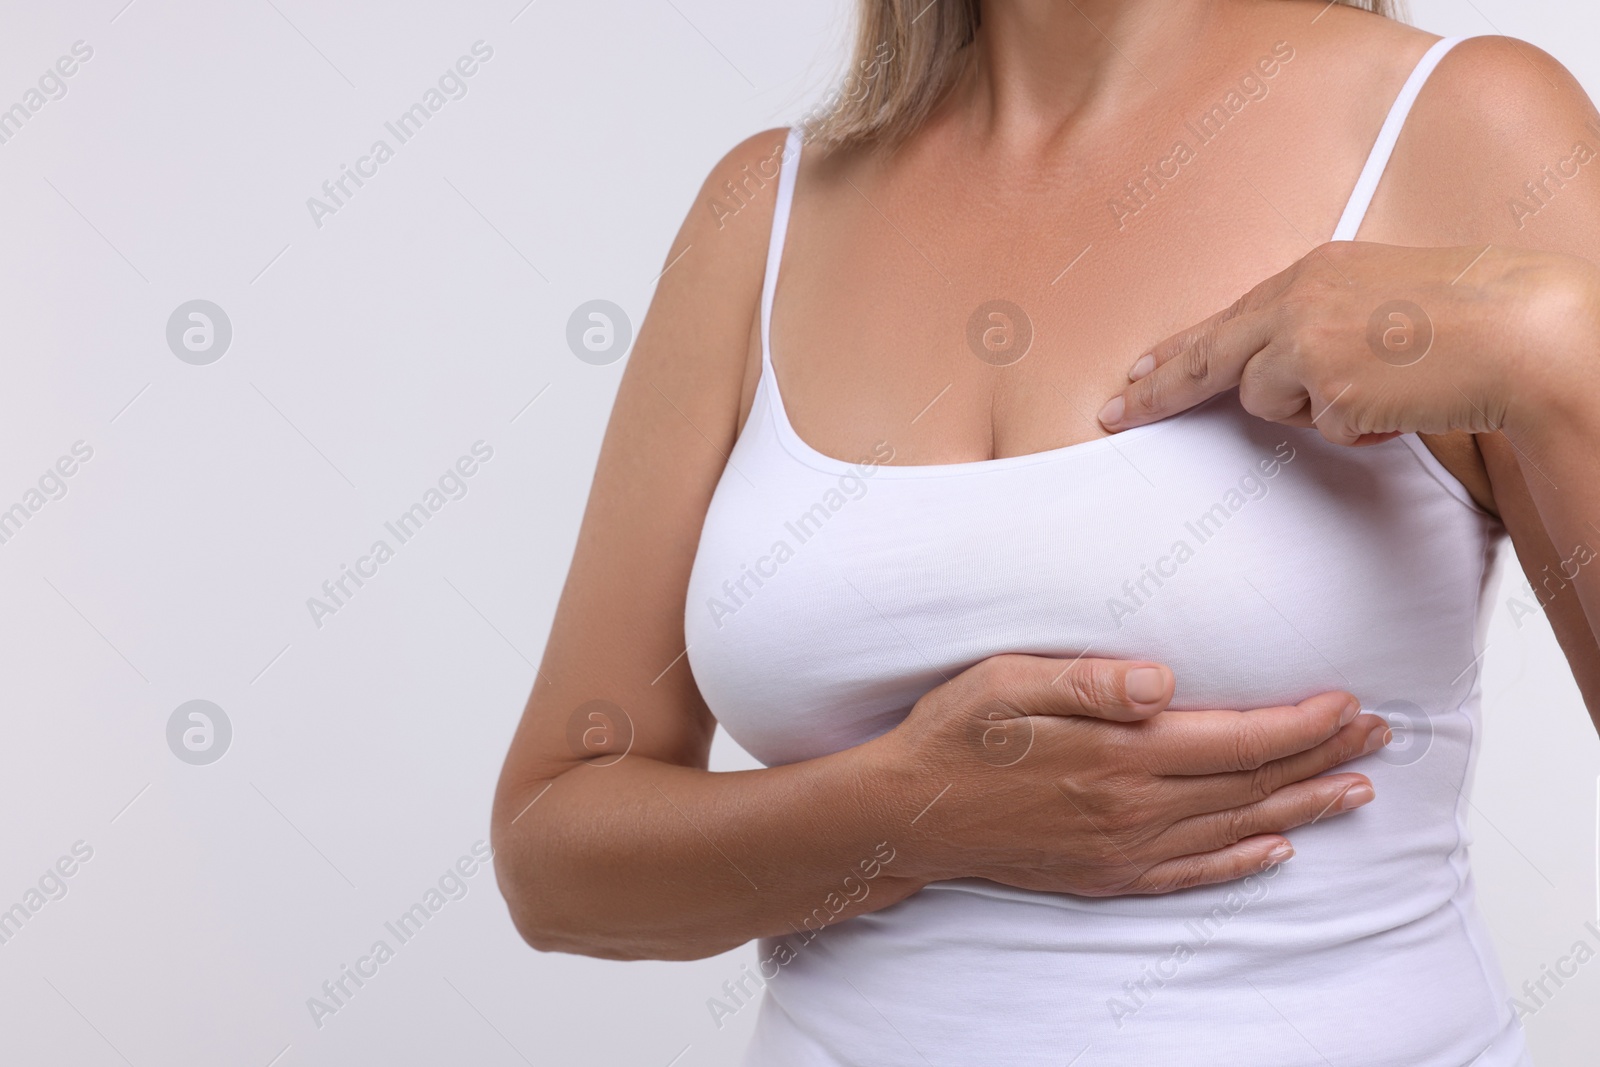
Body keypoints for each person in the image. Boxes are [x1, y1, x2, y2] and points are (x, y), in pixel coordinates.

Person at [492, 1, 1600, 1063]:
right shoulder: (764, 210)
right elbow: (556, 850)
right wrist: (912, 813)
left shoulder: (1466, 125)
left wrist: (1556, 352)